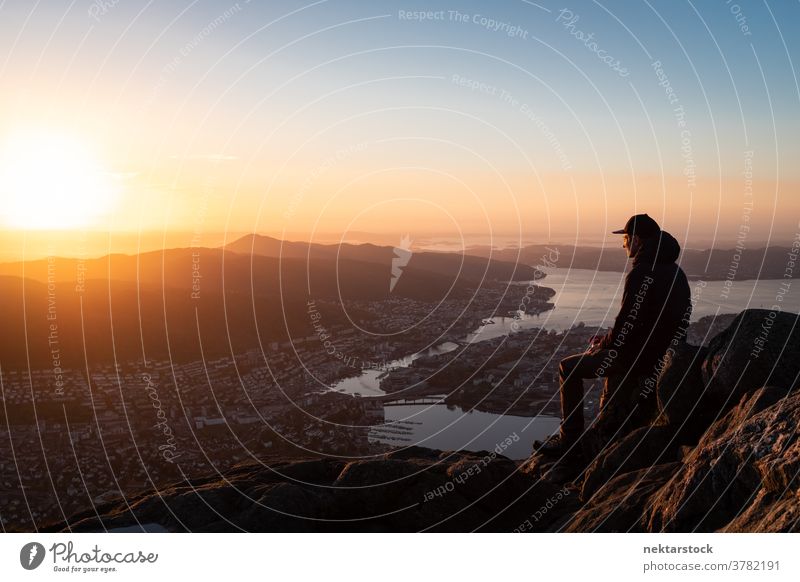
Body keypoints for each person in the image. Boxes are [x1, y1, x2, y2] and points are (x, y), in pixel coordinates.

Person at [535, 214, 691, 457]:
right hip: (664, 355)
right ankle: (602, 434)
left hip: (638, 358)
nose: (624, 244)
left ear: (637, 240)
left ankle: (569, 441)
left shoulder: (640, 273)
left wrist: (603, 344)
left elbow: (624, 327)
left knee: (568, 368)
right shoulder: (676, 272)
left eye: (626, 238)